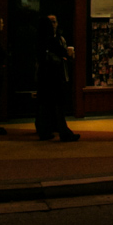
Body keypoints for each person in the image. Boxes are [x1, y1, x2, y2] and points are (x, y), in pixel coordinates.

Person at [35, 14, 79, 142]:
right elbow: (63, 52)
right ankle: (64, 132)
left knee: (44, 103)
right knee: (58, 104)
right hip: (53, 76)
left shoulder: (39, 39)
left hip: (43, 76)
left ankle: (44, 130)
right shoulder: (53, 40)